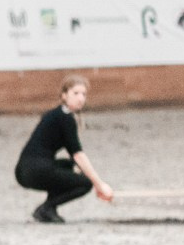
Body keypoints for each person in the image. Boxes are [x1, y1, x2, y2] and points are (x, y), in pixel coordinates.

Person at [15, 75, 115, 223]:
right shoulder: (65, 117)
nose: (81, 98)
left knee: (72, 167)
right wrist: (99, 184)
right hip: (34, 171)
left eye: (84, 94)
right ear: (64, 95)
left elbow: (74, 158)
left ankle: (49, 210)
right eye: (76, 93)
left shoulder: (58, 114)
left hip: (25, 170)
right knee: (85, 183)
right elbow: (78, 154)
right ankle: (46, 208)